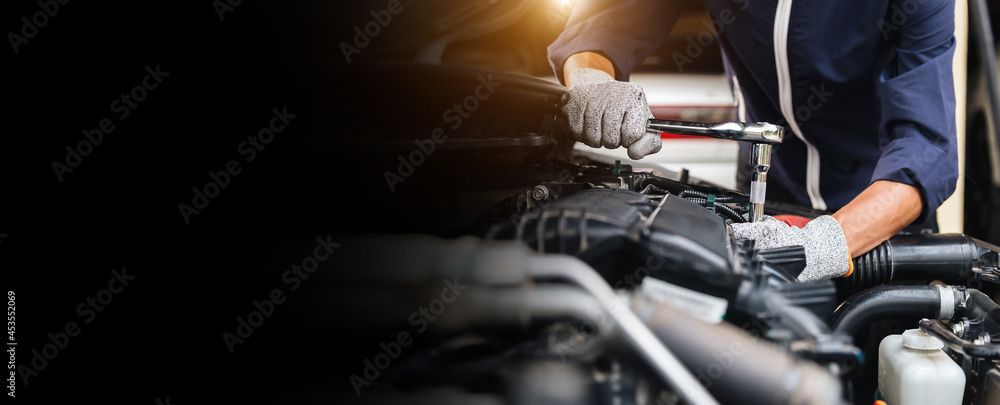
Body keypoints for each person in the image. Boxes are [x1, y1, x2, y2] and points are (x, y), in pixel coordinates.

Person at [549, 0, 958, 280]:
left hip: (878, 222)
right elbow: (609, 19)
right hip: (766, 204)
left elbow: (927, 149)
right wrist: (591, 78)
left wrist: (822, 243)